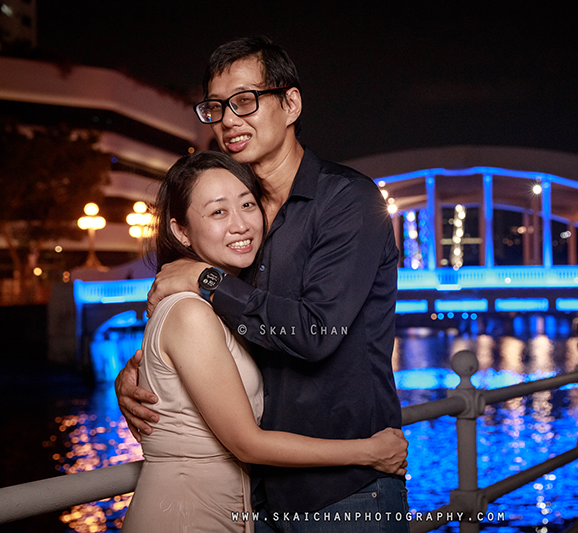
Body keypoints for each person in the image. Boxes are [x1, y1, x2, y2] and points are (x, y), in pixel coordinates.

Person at [116, 37, 408, 532]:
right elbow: (204, 337)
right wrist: (138, 378)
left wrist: (206, 278)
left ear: (290, 103)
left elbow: (317, 336)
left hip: (346, 490)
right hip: (260, 496)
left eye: (245, 101)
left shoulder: (347, 202)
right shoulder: (241, 223)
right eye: (215, 108)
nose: (229, 120)